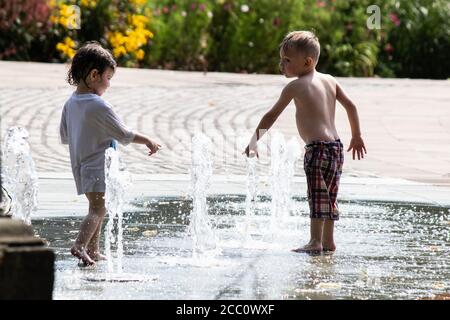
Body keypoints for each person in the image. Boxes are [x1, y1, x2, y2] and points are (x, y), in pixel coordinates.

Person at [244, 31, 367, 254]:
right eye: (281, 59)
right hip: (336, 148)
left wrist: (254, 141)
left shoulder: (295, 86)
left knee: (317, 195)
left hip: (317, 149)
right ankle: (329, 241)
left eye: (287, 60)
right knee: (330, 195)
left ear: (307, 62)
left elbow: (271, 116)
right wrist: (356, 135)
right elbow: (351, 106)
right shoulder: (330, 80)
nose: (281, 64)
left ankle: (315, 241)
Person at [59, 41, 161, 265]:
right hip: (97, 166)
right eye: (108, 78)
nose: (109, 84)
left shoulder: (71, 103)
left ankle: (93, 251)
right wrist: (149, 140)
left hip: (81, 164)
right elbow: (124, 134)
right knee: (98, 209)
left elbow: (65, 136)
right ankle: (80, 245)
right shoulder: (98, 105)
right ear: (94, 75)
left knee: (96, 208)